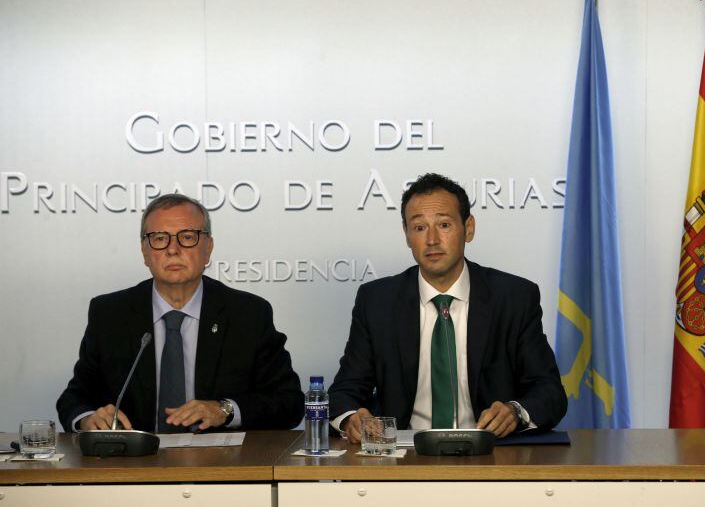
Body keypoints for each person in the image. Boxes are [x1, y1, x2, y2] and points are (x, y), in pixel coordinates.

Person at [329, 173, 567, 441]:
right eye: (419, 228)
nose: (432, 239)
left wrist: (515, 412)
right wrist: (351, 418)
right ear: (407, 235)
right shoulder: (377, 301)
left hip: (491, 455)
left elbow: (549, 393)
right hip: (403, 456)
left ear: (469, 228)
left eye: (443, 224)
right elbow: (345, 389)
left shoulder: (513, 298)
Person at [57, 193, 304, 432]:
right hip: (133, 468)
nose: (172, 249)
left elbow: (289, 402)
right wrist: (88, 420)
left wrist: (225, 410)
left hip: (222, 468)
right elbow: (76, 397)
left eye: (187, 237)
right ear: (144, 252)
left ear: (208, 248)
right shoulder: (110, 315)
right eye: (160, 238)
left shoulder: (247, 314)